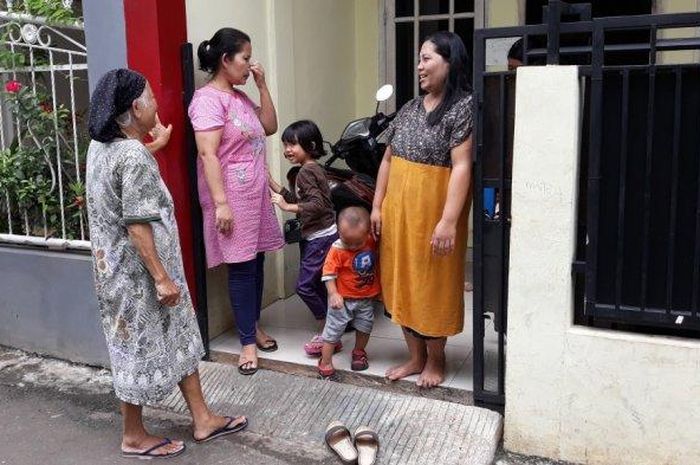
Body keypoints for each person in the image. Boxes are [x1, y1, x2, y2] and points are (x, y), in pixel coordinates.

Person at [86, 69, 247, 460]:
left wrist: (153, 147)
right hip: (139, 275)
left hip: (118, 273)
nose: (157, 103)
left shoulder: (102, 147)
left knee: (178, 337)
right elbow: (137, 225)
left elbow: (120, 183)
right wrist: (161, 278)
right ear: (136, 107)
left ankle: (202, 417)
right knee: (135, 349)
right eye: (151, 97)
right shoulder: (132, 155)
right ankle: (133, 435)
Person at [371, 31, 474, 388]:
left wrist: (448, 221)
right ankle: (415, 358)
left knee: (432, 284)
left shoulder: (463, 108)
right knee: (401, 280)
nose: (419, 66)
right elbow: (387, 158)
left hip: (433, 211)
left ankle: (437, 359)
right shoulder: (411, 108)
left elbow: (462, 167)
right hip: (398, 210)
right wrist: (377, 204)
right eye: (419, 59)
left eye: (427, 58)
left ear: (450, 62)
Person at [188, 28, 284, 376]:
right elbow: (208, 154)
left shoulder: (241, 99)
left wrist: (261, 85)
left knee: (256, 263)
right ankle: (246, 341)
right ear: (225, 60)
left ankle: (253, 326)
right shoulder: (207, 100)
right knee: (242, 268)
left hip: (254, 195)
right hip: (232, 196)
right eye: (245, 58)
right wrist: (221, 204)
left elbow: (270, 127)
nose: (250, 64)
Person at [268, 120, 341, 355]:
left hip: (320, 238)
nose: (288, 150)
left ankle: (328, 332)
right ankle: (332, 330)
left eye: (292, 144)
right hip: (322, 235)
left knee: (304, 286)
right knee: (319, 284)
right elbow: (304, 199)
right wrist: (273, 184)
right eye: (285, 145)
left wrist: (286, 207)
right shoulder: (311, 168)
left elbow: (317, 205)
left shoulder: (306, 171)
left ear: (310, 145)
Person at [318, 207, 381, 379]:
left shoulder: (371, 240)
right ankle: (325, 360)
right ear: (339, 232)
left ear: (368, 232)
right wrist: (333, 294)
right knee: (332, 331)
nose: (353, 247)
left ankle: (359, 351)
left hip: (365, 298)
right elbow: (328, 274)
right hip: (342, 300)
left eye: (357, 243)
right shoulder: (337, 249)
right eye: (348, 242)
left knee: (365, 327)